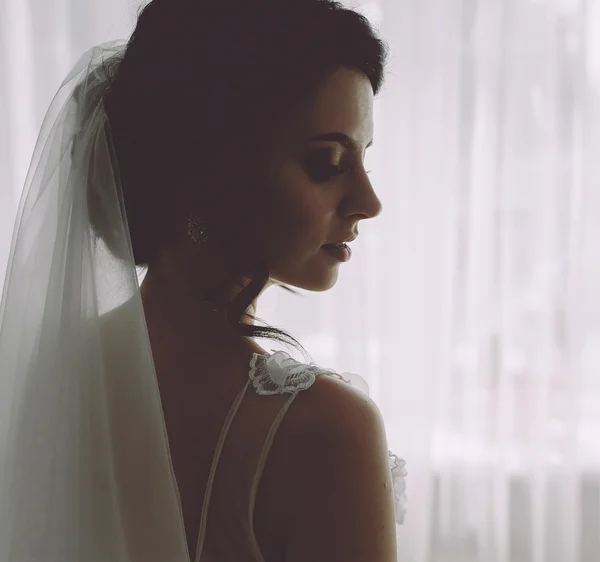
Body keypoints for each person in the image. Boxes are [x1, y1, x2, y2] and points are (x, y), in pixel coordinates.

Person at [0, 0, 406, 561]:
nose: (369, 202)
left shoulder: (39, 375)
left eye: (363, 161)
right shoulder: (323, 430)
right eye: (328, 163)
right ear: (215, 172)